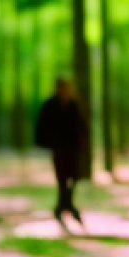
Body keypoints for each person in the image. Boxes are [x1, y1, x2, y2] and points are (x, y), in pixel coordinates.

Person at [35, 77, 87, 225]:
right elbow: (42, 126)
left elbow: (81, 125)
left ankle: (64, 205)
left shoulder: (73, 105)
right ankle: (65, 206)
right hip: (59, 149)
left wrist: (82, 142)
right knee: (62, 179)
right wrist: (47, 142)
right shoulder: (50, 105)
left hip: (73, 149)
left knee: (75, 177)